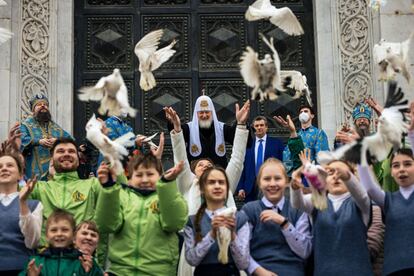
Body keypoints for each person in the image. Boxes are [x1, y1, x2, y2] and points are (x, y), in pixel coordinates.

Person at [94, 153, 188, 276]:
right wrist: (108, 188)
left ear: (160, 176)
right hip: (120, 271)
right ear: (130, 178)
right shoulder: (121, 196)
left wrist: (167, 184)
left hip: (159, 272)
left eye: (150, 174)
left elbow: (174, 223)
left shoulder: (167, 196)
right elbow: (106, 225)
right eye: (138, 175)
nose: (144, 179)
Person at [28, 138, 122, 245]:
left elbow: (111, 223)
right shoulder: (38, 188)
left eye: (71, 151)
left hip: (84, 259)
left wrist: (108, 186)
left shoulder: (94, 185)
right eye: (60, 151)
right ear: (52, 160)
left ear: (78, 160)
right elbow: (14, 192)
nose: (67, 154)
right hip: (46, 258)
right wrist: (14, 157)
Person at [291, 154, 373, 276]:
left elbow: (362, 195)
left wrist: (347, 176)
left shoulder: (360, 203)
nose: (336, 176)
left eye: (340, 173)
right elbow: (297, 203)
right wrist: (295, 187)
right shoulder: (317, 202)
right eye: (331, 173)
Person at [242, 158, 312, 276]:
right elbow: (241, 250)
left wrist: (284, 223)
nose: (272, 184)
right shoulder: (249, 210)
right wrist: (258, 271)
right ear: (259, 183)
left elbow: (305, 251)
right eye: (267, 179)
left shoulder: (298, 209)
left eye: (278, 178)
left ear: (286, 182)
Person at [184, 167, 250, 275]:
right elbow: (192, 259)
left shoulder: (240, 218)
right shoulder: (192, 221)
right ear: (201, 189)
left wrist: (232, 235)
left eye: (221, 182)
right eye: (211, 182)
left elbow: (243, 263)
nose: (217, 186)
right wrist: (211, 235)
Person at [167, 95, 242, 168]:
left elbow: (236, 138)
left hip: (217, 176)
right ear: (197, 113)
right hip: (196, 177)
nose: (204, 115)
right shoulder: (188, 128)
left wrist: (240, 122)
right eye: (201, 112)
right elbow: (177, 137)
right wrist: (172, 122)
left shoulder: (221, 128)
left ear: (212, 112)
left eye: (207, 112)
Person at [20, 209, 103, 276]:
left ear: (74, 235)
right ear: (46, 236)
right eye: (54, 230)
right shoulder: (36, 261)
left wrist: (89, 272)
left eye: (65, 230)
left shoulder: (84, 261)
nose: (59, 234)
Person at [0, 145, 42, 276]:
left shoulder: (35, 205)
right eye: (0, 166)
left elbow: (33, 242)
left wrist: (23, 203)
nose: (4, 169)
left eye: (10, 165)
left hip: (23, 270)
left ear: (20, 174)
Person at [237, 115, 296, 202]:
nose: (259, 128)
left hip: (271, 185)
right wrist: (240, 187)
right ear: (253, 128)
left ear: (266, 127)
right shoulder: (247, 145)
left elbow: (284, 165)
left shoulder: (277, 144)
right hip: (250, 188)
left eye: (262, 125)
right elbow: (241, 168)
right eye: (256, 126)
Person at [20, 94, 72, 180]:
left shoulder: (55, 127)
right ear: (33, 110)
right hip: (34, 171)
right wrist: (39, 142)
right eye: (39, 104)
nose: (43, 105)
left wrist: (57, 141)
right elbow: (21, 140)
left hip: (56, 171)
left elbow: (71, 140)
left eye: (45, 104)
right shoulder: (26, 125)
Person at [280, 105, 329, 175]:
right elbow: (287, 155)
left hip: (311, 174)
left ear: (312, 115)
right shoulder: (295, 135)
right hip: (296, 174)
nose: (303, 113)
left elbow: (322, 156)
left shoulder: (319, 133)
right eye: (301, 112)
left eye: (306, 111)